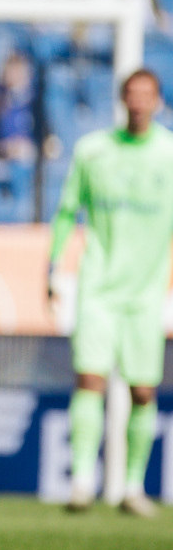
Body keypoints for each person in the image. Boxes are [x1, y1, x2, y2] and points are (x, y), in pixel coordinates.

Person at [47, 69, 173, 517]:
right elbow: (66, 212)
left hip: (145, 293)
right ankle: (82, 481)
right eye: (131, 95)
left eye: (147, 95)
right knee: (90, 379)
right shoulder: (93, 151)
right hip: (97, 286)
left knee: (143, 391)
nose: (138, 103)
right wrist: (52, 264)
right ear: (122, 100)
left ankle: (132, 487)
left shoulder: (169, 154)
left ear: (158, 101)